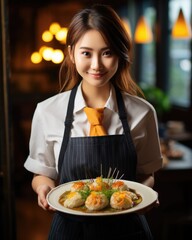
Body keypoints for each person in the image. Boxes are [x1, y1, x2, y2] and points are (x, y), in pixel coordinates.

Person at [24, 4, 163, 240]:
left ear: (120, 53)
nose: (97, 64)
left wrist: (146, 192)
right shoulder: (47, 111)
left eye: (107, 52)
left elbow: (145, 175)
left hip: (129, 230)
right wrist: (43, 188)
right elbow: (42, 173)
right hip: (68, 231)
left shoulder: (142, 113)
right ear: (71, 54)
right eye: (86, 53)